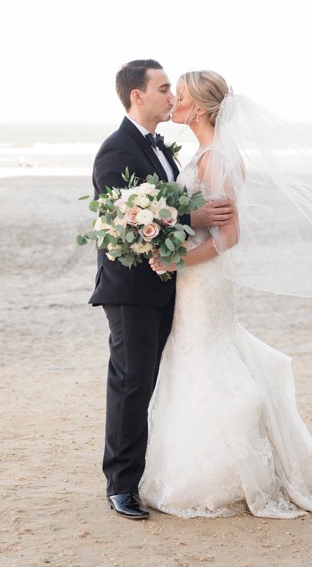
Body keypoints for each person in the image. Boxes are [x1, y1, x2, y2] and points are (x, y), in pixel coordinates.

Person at [141, 70, 312, 518]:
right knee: (192, 359)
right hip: (194, 276)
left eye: (181, 96)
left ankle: (230, 473)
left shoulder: (216, 159)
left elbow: (230, 236)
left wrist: (176, 260)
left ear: (202, 109)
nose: (174, 103)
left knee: (207, 358)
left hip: (203, 277)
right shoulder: (203, 154)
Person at [89, 60, 236, 520]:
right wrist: (196, 219)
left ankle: (147, 473)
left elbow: (167, 207)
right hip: (131, 287)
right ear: (138, 96)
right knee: (131, 383)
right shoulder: (116, 151)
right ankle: (120, 485)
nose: (171, 95)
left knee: (153, 383)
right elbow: (128, 221)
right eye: (163, 87)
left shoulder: (164, 151)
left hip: (168, 284)